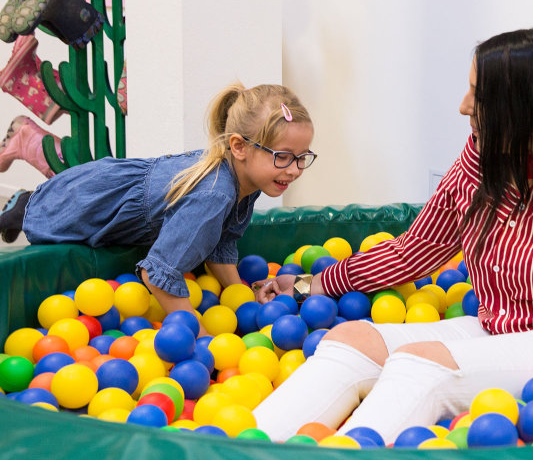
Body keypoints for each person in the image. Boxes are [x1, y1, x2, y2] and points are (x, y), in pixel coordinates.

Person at [251, 27, 533, 444]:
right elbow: (417, 250)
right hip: (492, 326)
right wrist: (314, 283)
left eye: (479, 95)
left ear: (528, 111)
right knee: (350, 340)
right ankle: (233, 455)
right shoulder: (481, 159)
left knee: (419, 365)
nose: (463, 106)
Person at [0, 83, 317, 321]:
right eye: (283, 157)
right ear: (239, 147)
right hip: (87, 203)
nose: (294, 169)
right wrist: (199, 336)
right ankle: (24, 206)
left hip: (110, 189)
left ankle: (27, 204)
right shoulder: (214, 194)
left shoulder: (252, 177)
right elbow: (157, 273)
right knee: (42, 221)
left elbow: (220, 246)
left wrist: (242, 300)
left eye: (303, 157)